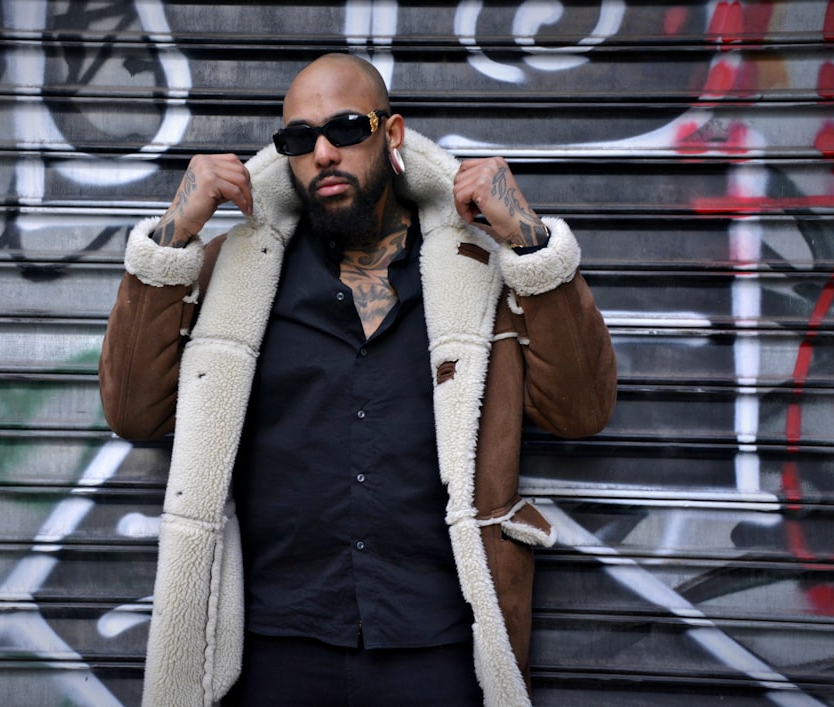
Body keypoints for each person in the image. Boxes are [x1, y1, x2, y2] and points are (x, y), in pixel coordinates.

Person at [99, 52, 616, 707]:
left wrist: (530, 241)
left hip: (438, 645)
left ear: (392, 133)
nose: (323, 153)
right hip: (272, 646)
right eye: (298, 139)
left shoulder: (476, 273)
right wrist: (174, 234)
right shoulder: (231, 277)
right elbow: (134, 412)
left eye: (345, 128)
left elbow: (583, 410)